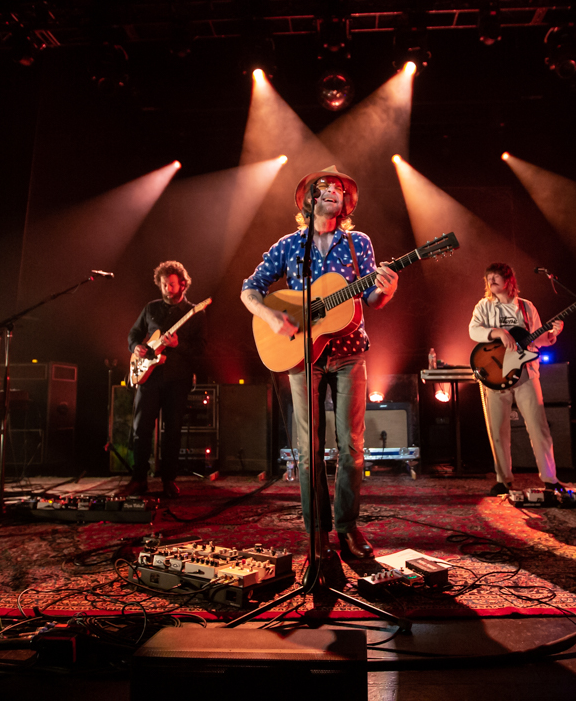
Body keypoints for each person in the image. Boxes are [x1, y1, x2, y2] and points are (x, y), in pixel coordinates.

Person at [240, 166, 399, 559]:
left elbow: (372, 300)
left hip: (350, 353)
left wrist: (387, 291)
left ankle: (347, 528)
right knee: (308, 450)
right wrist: (273, 317)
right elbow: (249, 290)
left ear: (347, 203)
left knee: (353, 448)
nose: (334, 191)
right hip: (301, 355)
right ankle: (317, 533)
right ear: (310, 198)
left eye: (341, 189)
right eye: (325, 187)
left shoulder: (358, 242)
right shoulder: (289, 245)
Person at [469, 263, 564, 496]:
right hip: (495, 374)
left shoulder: (526, 306)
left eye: (496, 277)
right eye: (488, 277)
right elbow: (473, 330)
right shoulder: (484, 306)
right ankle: (504, 479)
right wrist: (499, 332)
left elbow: (538, 340)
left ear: (509, 280)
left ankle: (550, 478)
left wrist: (552, 334)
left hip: (526, 374)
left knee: (538, 425)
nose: (491, 281)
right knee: (498, 430)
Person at [127, 261, 207, 498]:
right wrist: (137, 347)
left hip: (177, 378)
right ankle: (138, 479)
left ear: (183, 284)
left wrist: (178, 345)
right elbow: (133, 334)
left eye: (171, 284)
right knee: (140, 429)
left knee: (172, 431)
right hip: (149, 378)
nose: (167, 289)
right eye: (163, 284)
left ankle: (168, 480)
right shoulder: (151, 308)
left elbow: (201, 349)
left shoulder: (196, 312)